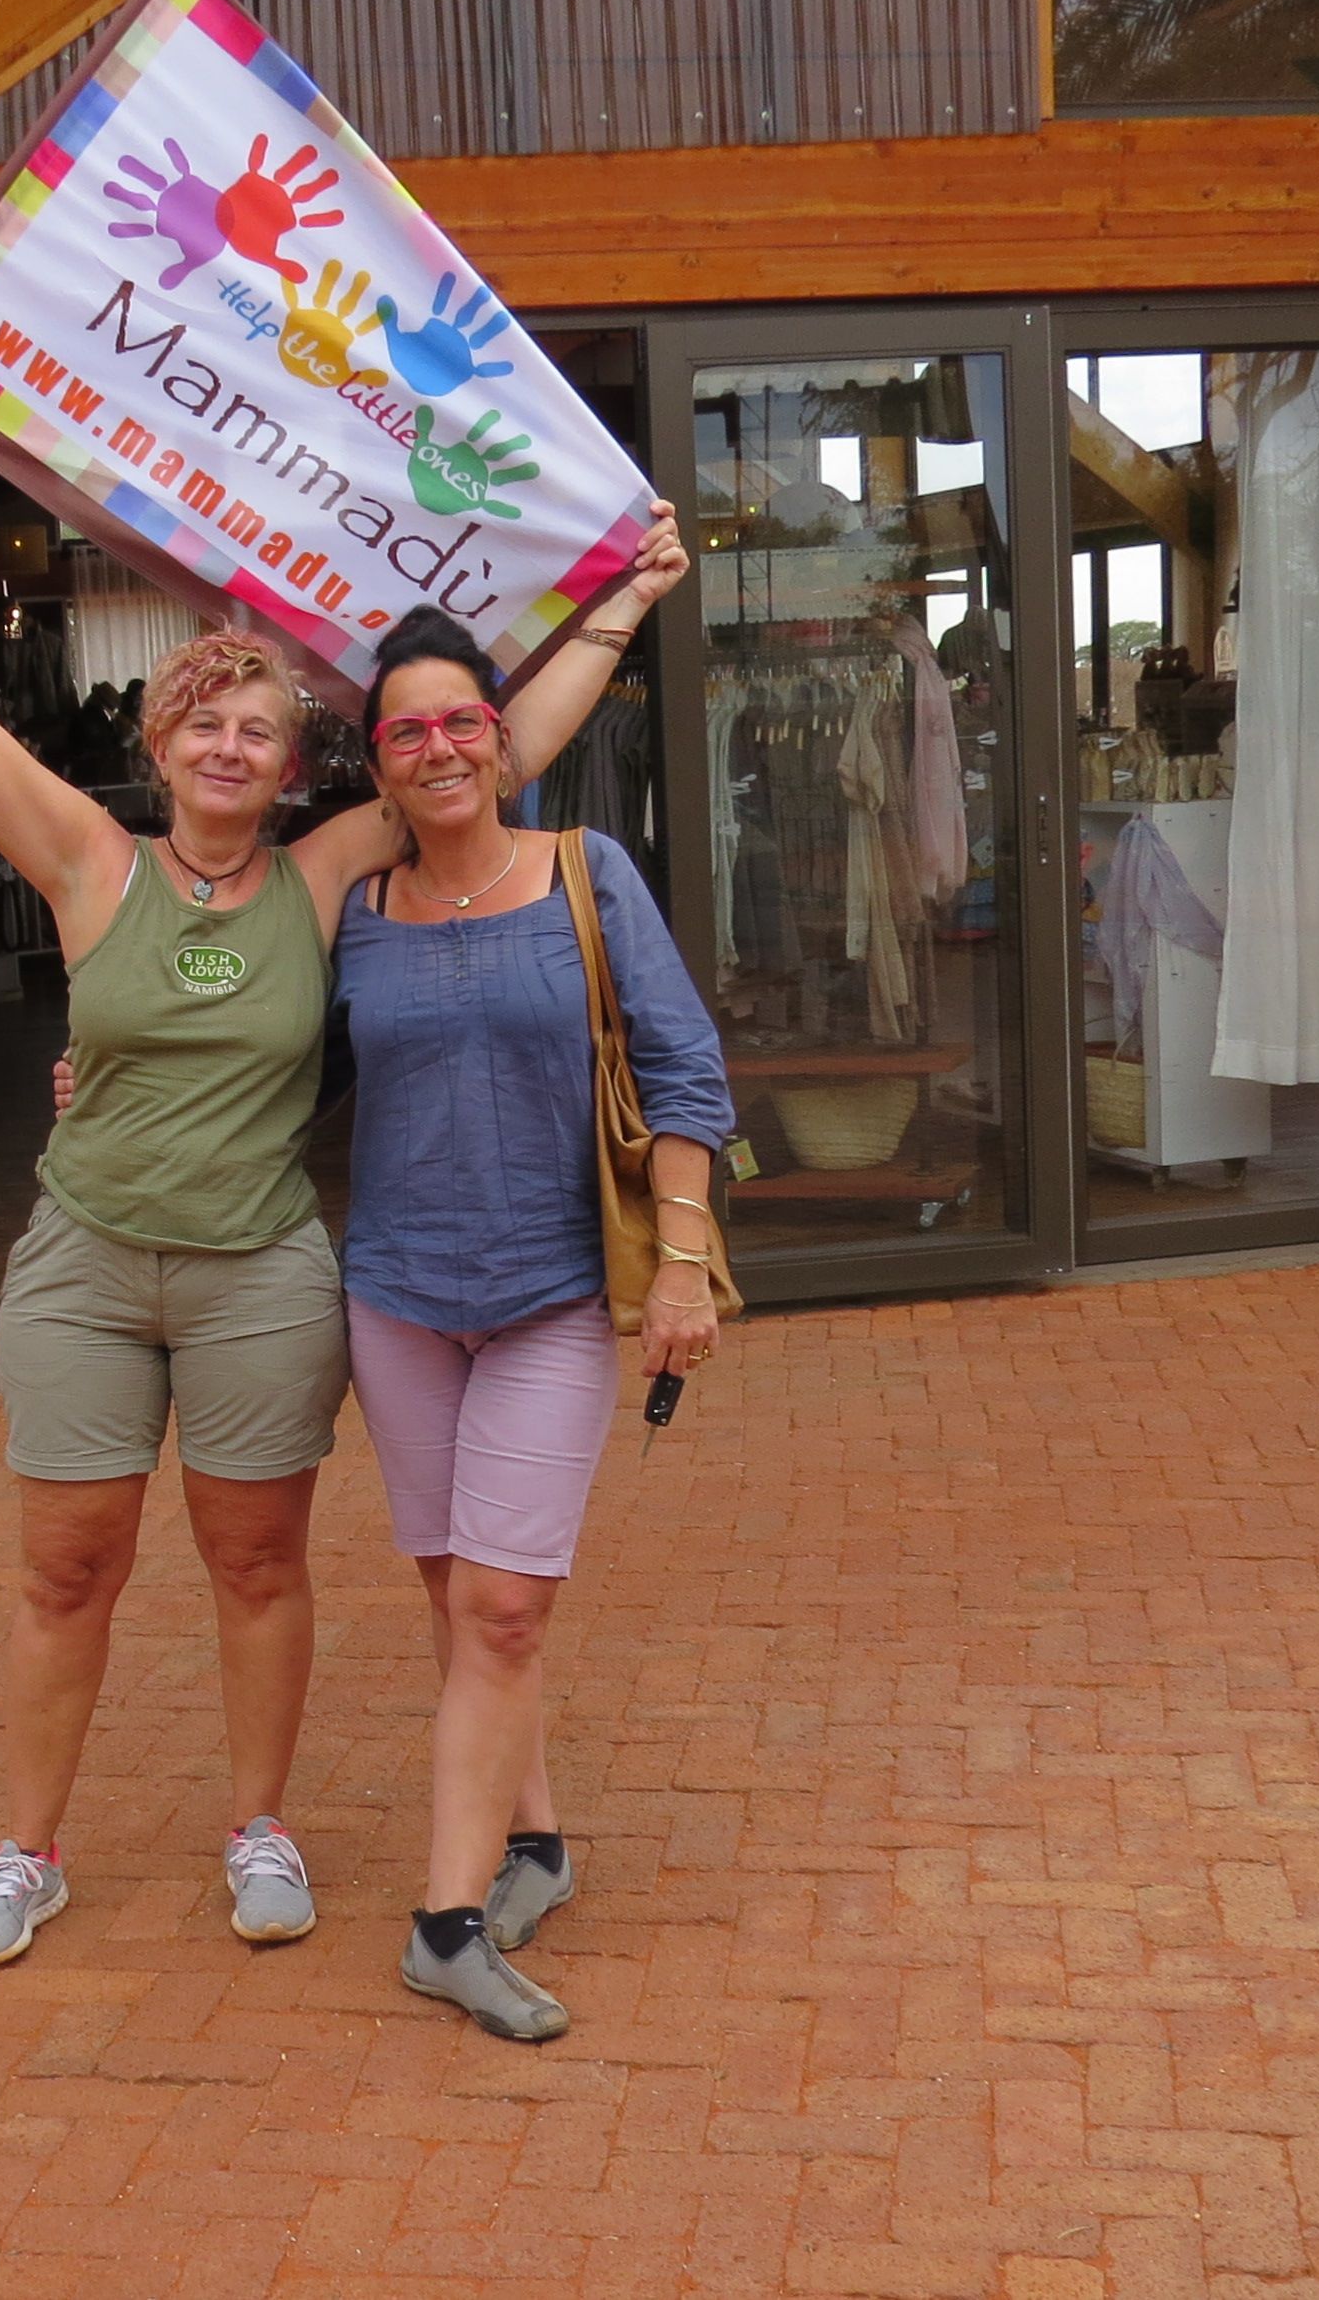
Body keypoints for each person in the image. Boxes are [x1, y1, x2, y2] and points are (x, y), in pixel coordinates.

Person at [0, 413, 685, 1969]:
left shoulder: (332, 869)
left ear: (290, 761)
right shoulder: (86, 864)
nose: (225, 747)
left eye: (257, 729)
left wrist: (619, 608)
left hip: (260, 1269)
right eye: (201, 720)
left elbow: (492, 748)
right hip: (85, 1265)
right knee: (68, 1568)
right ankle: (27, 1850)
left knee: (255, 1561)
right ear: (158, 743)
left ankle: (259, 1823)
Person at [332, 605, 733, 2042]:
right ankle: (537, 1846)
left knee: (506, 1603)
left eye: (460, 721)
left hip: (553, 1293)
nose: (436, 748)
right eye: (405, 731)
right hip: (396, 1297)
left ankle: (445, 1924)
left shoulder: (587, 875)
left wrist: (681, 1264)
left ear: (502, 741)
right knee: (459, 1599)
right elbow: (263, 1063)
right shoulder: (356, 913)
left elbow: (685, 1070)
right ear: (377, 765)